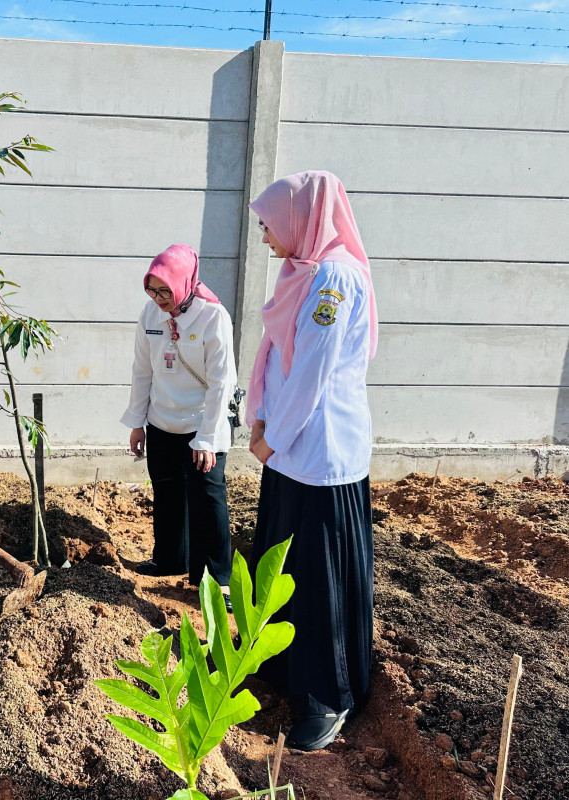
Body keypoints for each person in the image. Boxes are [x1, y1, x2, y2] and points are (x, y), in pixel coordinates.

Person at [245, 170, 378, 752]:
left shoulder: (332, 279)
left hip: (319, 455)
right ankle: (283, 669)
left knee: (318, 580)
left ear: (300, 220)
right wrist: (260, 420)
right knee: (283, 566)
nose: (265, 236)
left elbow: (312, 376)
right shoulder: (301, 272)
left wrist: (272, 437)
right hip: (289, 452)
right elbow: (275, 358)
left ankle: (328, 696)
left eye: (269, 225)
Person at [121, 244, 237, 603]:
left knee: (207, 501)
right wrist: (137, 422)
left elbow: (223, 382)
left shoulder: (213, 317)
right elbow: (143, 371)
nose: (158, 299)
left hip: (202, 425)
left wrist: (206, 438)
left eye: (165, 290)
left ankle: (216, 580)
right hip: (161, 422)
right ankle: (169, 560)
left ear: (184, 283)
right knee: (167, 494)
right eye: (151, 290)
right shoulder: (150, 315)